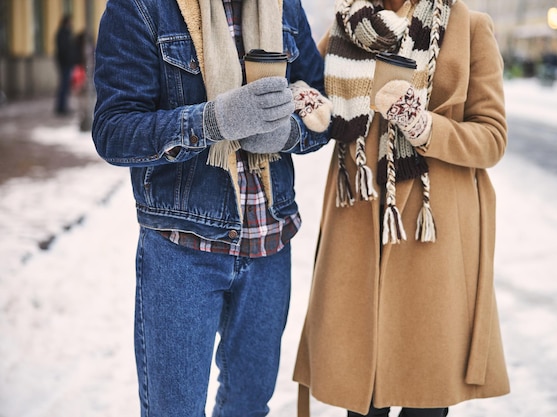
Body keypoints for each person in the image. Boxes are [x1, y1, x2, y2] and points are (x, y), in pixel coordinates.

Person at [92, 0, 331, 416]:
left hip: (269, 243)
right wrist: (211, 122)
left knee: (249, 407)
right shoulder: (140, 7)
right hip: (182, 252)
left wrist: (290, 134)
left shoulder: (283, 6)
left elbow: (323, 103)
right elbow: (113, 130)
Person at [293, 0, 509, 416]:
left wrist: (424, 125)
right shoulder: (346, 28)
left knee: (424, 397)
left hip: (431, 241)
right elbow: (309, 91)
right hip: (358, 227)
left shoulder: (470, 28)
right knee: (361, 396)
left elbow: (492, 138)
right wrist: (308, 105)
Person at [54, 14, 75, 115]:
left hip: (66, 63)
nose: (72, 23)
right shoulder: (64, 33)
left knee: (65, 86)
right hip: (65, 64)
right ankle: (61, 107)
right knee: (64, 86)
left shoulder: (65, 33)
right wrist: (68, 60)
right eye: (70, 21)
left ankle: (62, 106)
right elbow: (64, 50)